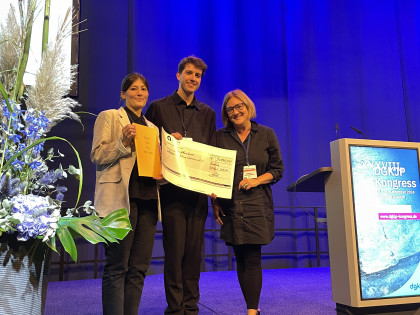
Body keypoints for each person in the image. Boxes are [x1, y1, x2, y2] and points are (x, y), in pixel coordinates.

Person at [145, 56, 216, 314]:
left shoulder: (208, 113)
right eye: (189, 73)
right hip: (171, 192)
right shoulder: (158, 107)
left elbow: (210, 152)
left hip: (197, 195)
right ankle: (175, 309)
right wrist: (166, 144)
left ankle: (191, 307)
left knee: (193, 255)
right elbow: (150, 148)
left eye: (197, 76)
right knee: (174, 254)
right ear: (178, 75)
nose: (193, 79)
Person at [91, 73, 161, 315]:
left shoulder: (152, 128)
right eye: (133, 89)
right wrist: (122, 142)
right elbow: (97, 155)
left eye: (143, 89)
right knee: (117, 265)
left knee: (139, 268)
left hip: (149, 201)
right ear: (123, 94)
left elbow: (155, 166)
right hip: (119, 202)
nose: (139, 93)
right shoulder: (110, 117)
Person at [211, 89, 284, 315]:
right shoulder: (219, 137)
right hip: (231, 204)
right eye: (230, 109)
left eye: (238, 106)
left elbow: (277, 169)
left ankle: (252, 310)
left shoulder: (266, 134)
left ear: (247, 106)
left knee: (252, 256)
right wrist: (213, 203)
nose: (235, 112)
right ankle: (252, 307)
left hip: (257, 203)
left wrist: (256, 181)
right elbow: (213, 171)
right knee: (240, 257)